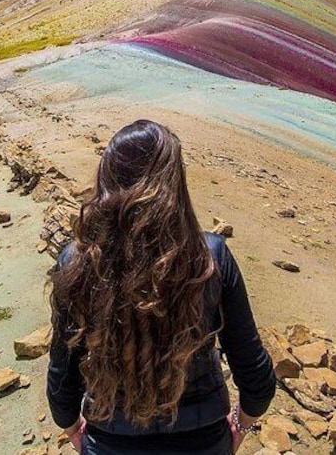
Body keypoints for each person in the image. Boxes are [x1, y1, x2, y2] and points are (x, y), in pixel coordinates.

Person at [47, 119, 276, 454]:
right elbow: (255, 374)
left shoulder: (77, 261)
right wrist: (240, 428)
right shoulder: (209, 257)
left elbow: (62, 377)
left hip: (110, 440)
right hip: (204, 442)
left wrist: (72, 430)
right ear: (175, 183)